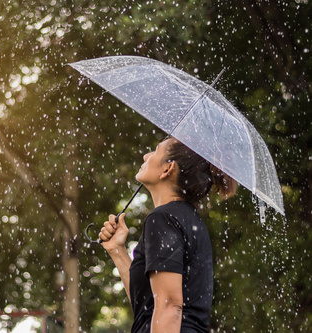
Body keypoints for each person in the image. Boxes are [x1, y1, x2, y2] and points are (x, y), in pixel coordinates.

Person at [99, 136, 237, 333]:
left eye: (155, 151)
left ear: (167, 169)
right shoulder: (189, 220)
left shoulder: (163, 219)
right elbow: (147, 306)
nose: (146, 156)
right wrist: (117, 250)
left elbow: (170, 305)